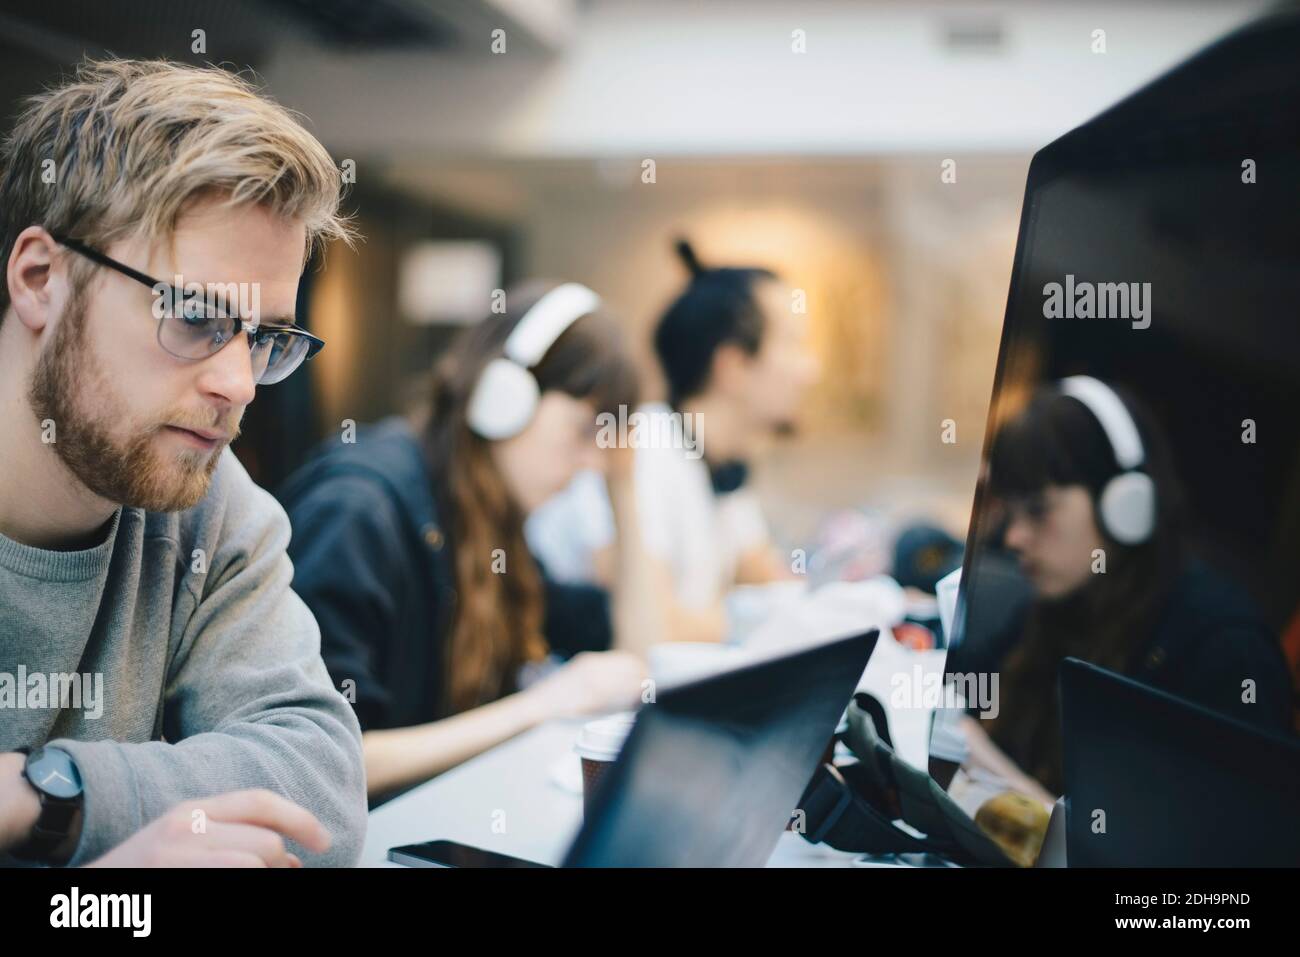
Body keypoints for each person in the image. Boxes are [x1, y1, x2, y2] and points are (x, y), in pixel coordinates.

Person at [0, 59, 367, 866]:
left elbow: (322, 785)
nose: (238, 385)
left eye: (266, 337)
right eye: (197, 314)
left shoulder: (205, 498)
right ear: (39, 279)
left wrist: (48, 798)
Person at [280, 281, 659, 801]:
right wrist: (543, 704)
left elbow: (635, 649)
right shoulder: (359, 509)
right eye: (583, 431)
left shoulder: (487, 517)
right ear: (504, 398)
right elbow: (321, 759)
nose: (593, 462)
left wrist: (624, 487)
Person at [961, 376, 1293, 799]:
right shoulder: (1060, 603)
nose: (1013, 538)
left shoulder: (1224, 648)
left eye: (1038, 511)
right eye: (1010, 512)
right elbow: (964, 687)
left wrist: (1015, 794)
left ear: (1124, 504)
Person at [527, 240, 820, 643]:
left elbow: (773, 582)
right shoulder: (644, 453)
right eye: (793, 344)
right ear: (732, 366)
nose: (812, 369)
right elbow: (655, 630)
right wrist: (766, 621)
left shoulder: (720, 469)